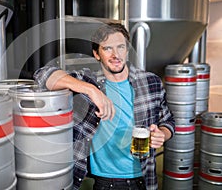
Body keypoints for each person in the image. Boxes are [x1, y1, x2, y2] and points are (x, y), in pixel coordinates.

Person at [34, 22, 175, 190]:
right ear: (97, 54)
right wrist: (91, 90)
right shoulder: (88, 80)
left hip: (145, 177)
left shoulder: (151, 81)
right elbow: (42, 76)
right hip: (105, 181)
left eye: (120, 47)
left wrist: (163, 134)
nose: (116, 55)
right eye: (108, 48)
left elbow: (168, 121)